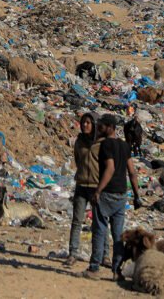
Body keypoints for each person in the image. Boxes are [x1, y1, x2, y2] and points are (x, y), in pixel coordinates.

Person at [84, 113, 142, 280]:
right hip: (122, 195)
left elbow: (109, 169)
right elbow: (132, 172)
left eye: (101, 126)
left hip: (107, 193)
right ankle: (117, 271)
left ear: (110, 127)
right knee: (117, 234)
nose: (99, 128)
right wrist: (137, 195)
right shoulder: (124, 146)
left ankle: (94, 268)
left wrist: (98, 191)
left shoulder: (106, 145)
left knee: (100, 230)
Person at [66, 112, 100, 265]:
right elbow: (78, 160)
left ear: (94, 125)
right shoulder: (79, 142)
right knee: (77, 221)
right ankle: (72, 253)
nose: (85, 125)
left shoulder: (100, 143)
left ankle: (101, 255)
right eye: (83, 122)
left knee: (99, 223)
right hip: (81, 185)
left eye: (88, 122)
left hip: (96, 187)